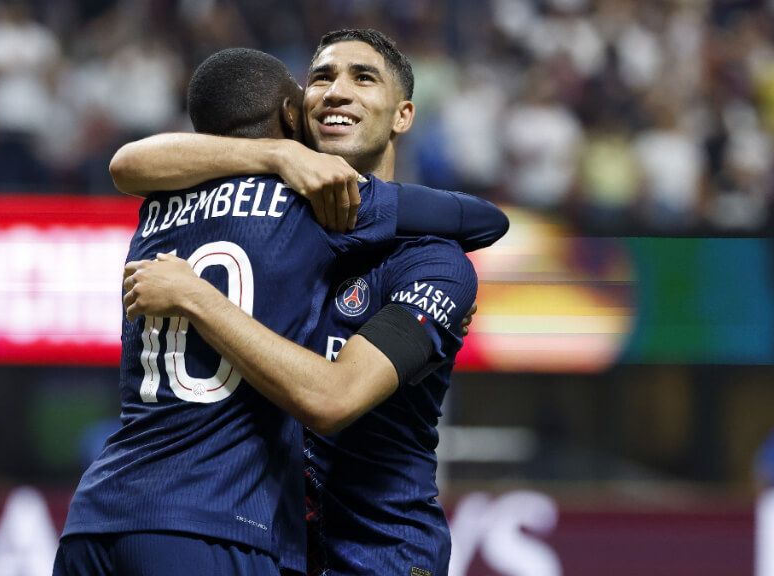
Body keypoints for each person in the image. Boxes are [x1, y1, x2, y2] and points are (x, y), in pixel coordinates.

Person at [57, 47, 505, 575]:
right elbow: (127, 163)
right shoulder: (289, 214)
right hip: (262, 540)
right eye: (320, 77)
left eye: (363, 78)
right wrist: (276, 158)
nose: (336, 90)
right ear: (296, 112)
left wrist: (198, 297)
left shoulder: (433, 262)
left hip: (375, 554)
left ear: (404, 114)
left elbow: (334, 396)